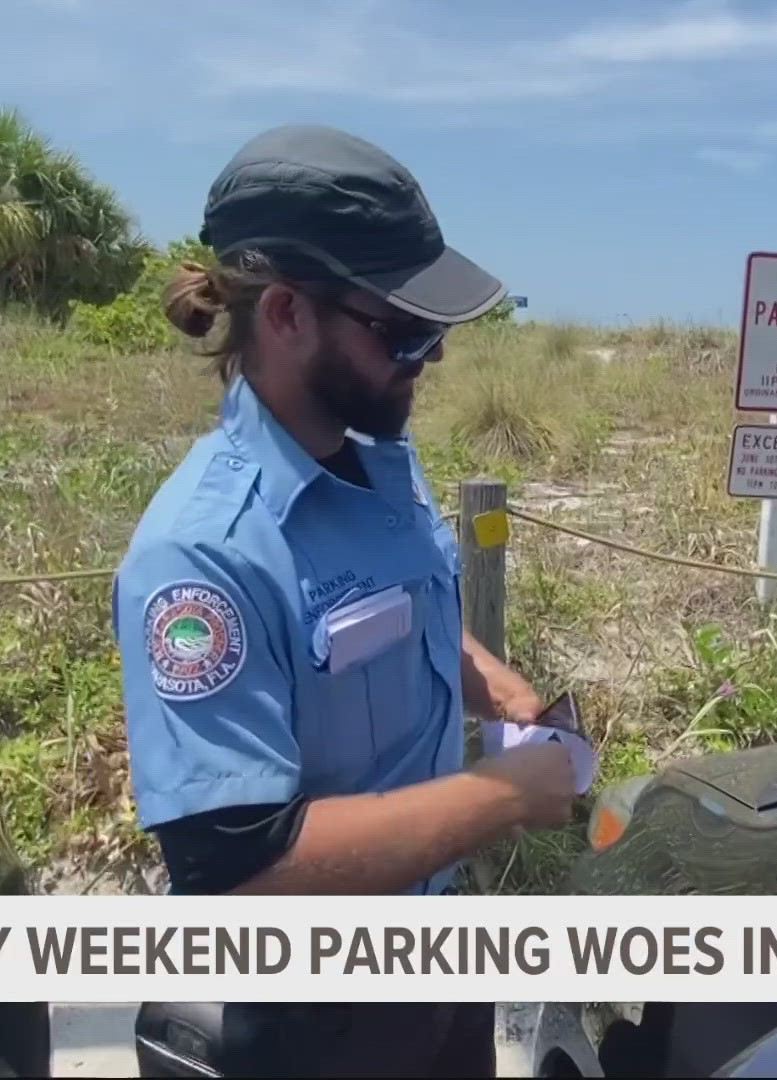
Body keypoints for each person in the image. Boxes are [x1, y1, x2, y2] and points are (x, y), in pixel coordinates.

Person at [111, 123, 578, 1077]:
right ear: (285, 314)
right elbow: (244, 874)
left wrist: (487, 677)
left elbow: (387, 614)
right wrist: (501, 796)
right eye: (403, 333)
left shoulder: (376, 457)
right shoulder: (204, 555)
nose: (427, 362)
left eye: (435, 335)